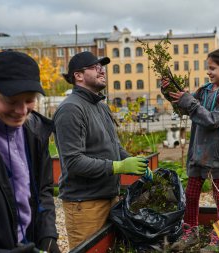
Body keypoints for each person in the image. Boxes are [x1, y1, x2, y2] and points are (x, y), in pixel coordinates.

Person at [53, 51, 151, 249]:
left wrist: (133, 163)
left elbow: (114, 145)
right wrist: (118, 166)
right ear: (78, 75)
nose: (102, 70)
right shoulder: (71, 109)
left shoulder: (101, 106)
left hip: (110, 198)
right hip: (85, 205)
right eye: (95, 66)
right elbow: (73, 162)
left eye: (102, 66)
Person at [162, 48, 219, 252]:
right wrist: (170, 93)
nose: (209, 72)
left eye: (213, 69)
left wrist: (190, 102)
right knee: (192, 193)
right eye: (208, 68)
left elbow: (213, 120)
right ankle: (190, 232)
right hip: (199, 152)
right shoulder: (205, 90)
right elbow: (185, 108)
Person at [0, 51, 60, 252]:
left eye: (29, 100)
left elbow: (44, 189)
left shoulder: (35, 132)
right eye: (11, 101)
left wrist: (47, 235)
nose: (21, 111)